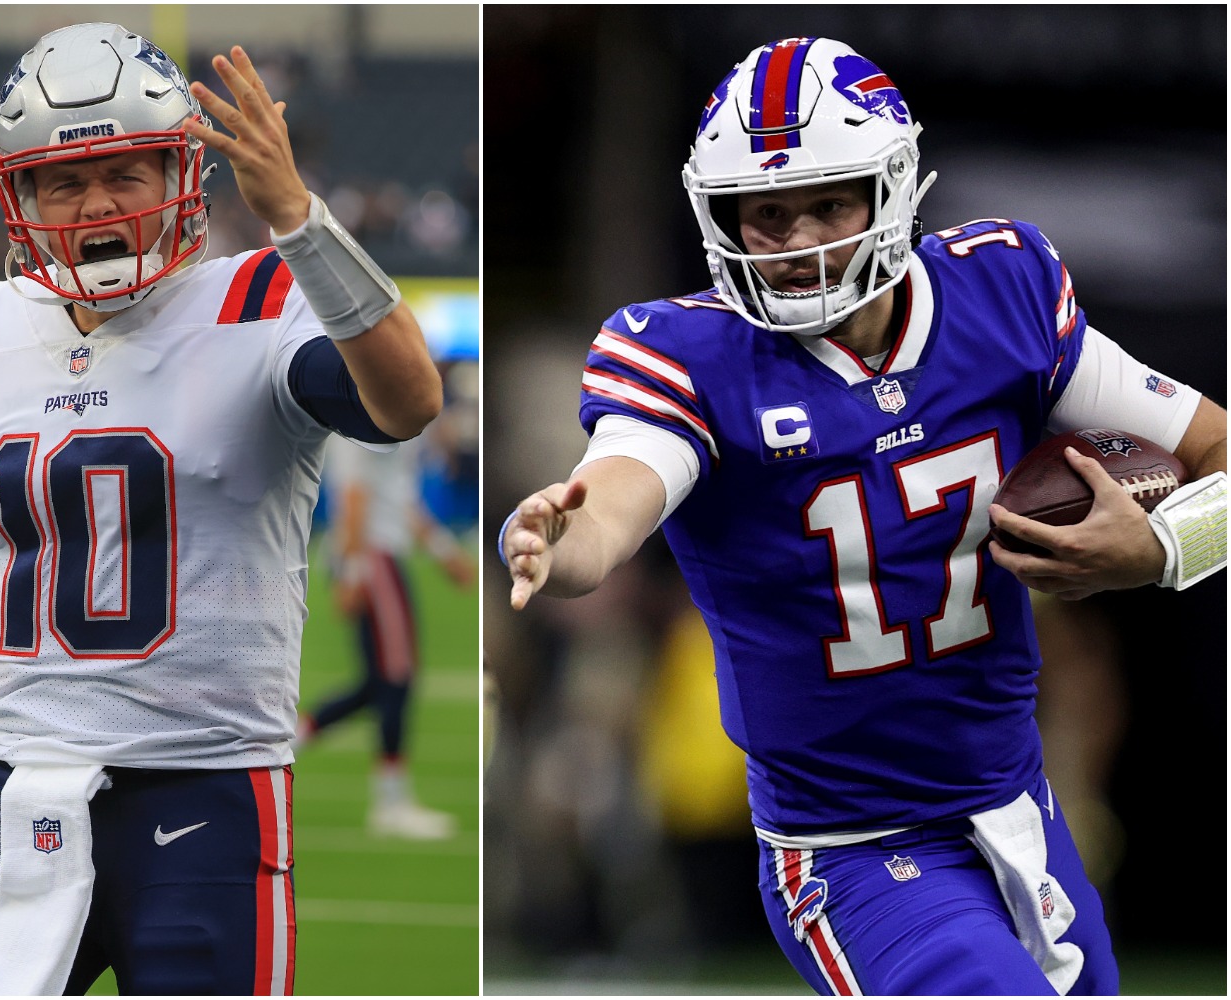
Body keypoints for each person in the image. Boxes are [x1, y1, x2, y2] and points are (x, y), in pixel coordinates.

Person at [500, 36, 1226, 996]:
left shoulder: (998, 295)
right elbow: (620, 495)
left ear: (891, 191)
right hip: (851, 846)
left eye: (829, 204)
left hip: (1021, 808)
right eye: (766, 215)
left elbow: (1217, 448)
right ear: (722, 222)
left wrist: (1168, 546)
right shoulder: (688, 358)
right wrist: (570, 538)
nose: (800, 242)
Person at [0, 23, 443, 996]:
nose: (95, 202)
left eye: (126, 171)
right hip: (9, 795)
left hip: (209, 796)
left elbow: (407, 402)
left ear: (182, 172)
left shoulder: (260, 300)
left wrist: (299, 220)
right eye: (65, 179)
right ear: (20, 196)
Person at [297, 435, 473, 839]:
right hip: (374, 556)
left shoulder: (386, 418)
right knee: (395, 678)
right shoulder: (361, 422)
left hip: (382, 553)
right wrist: (355, 569)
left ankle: (293, 739)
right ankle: (391, 802)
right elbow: (354, 496)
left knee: (379, 682)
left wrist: (442, 550)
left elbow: (399, 498)